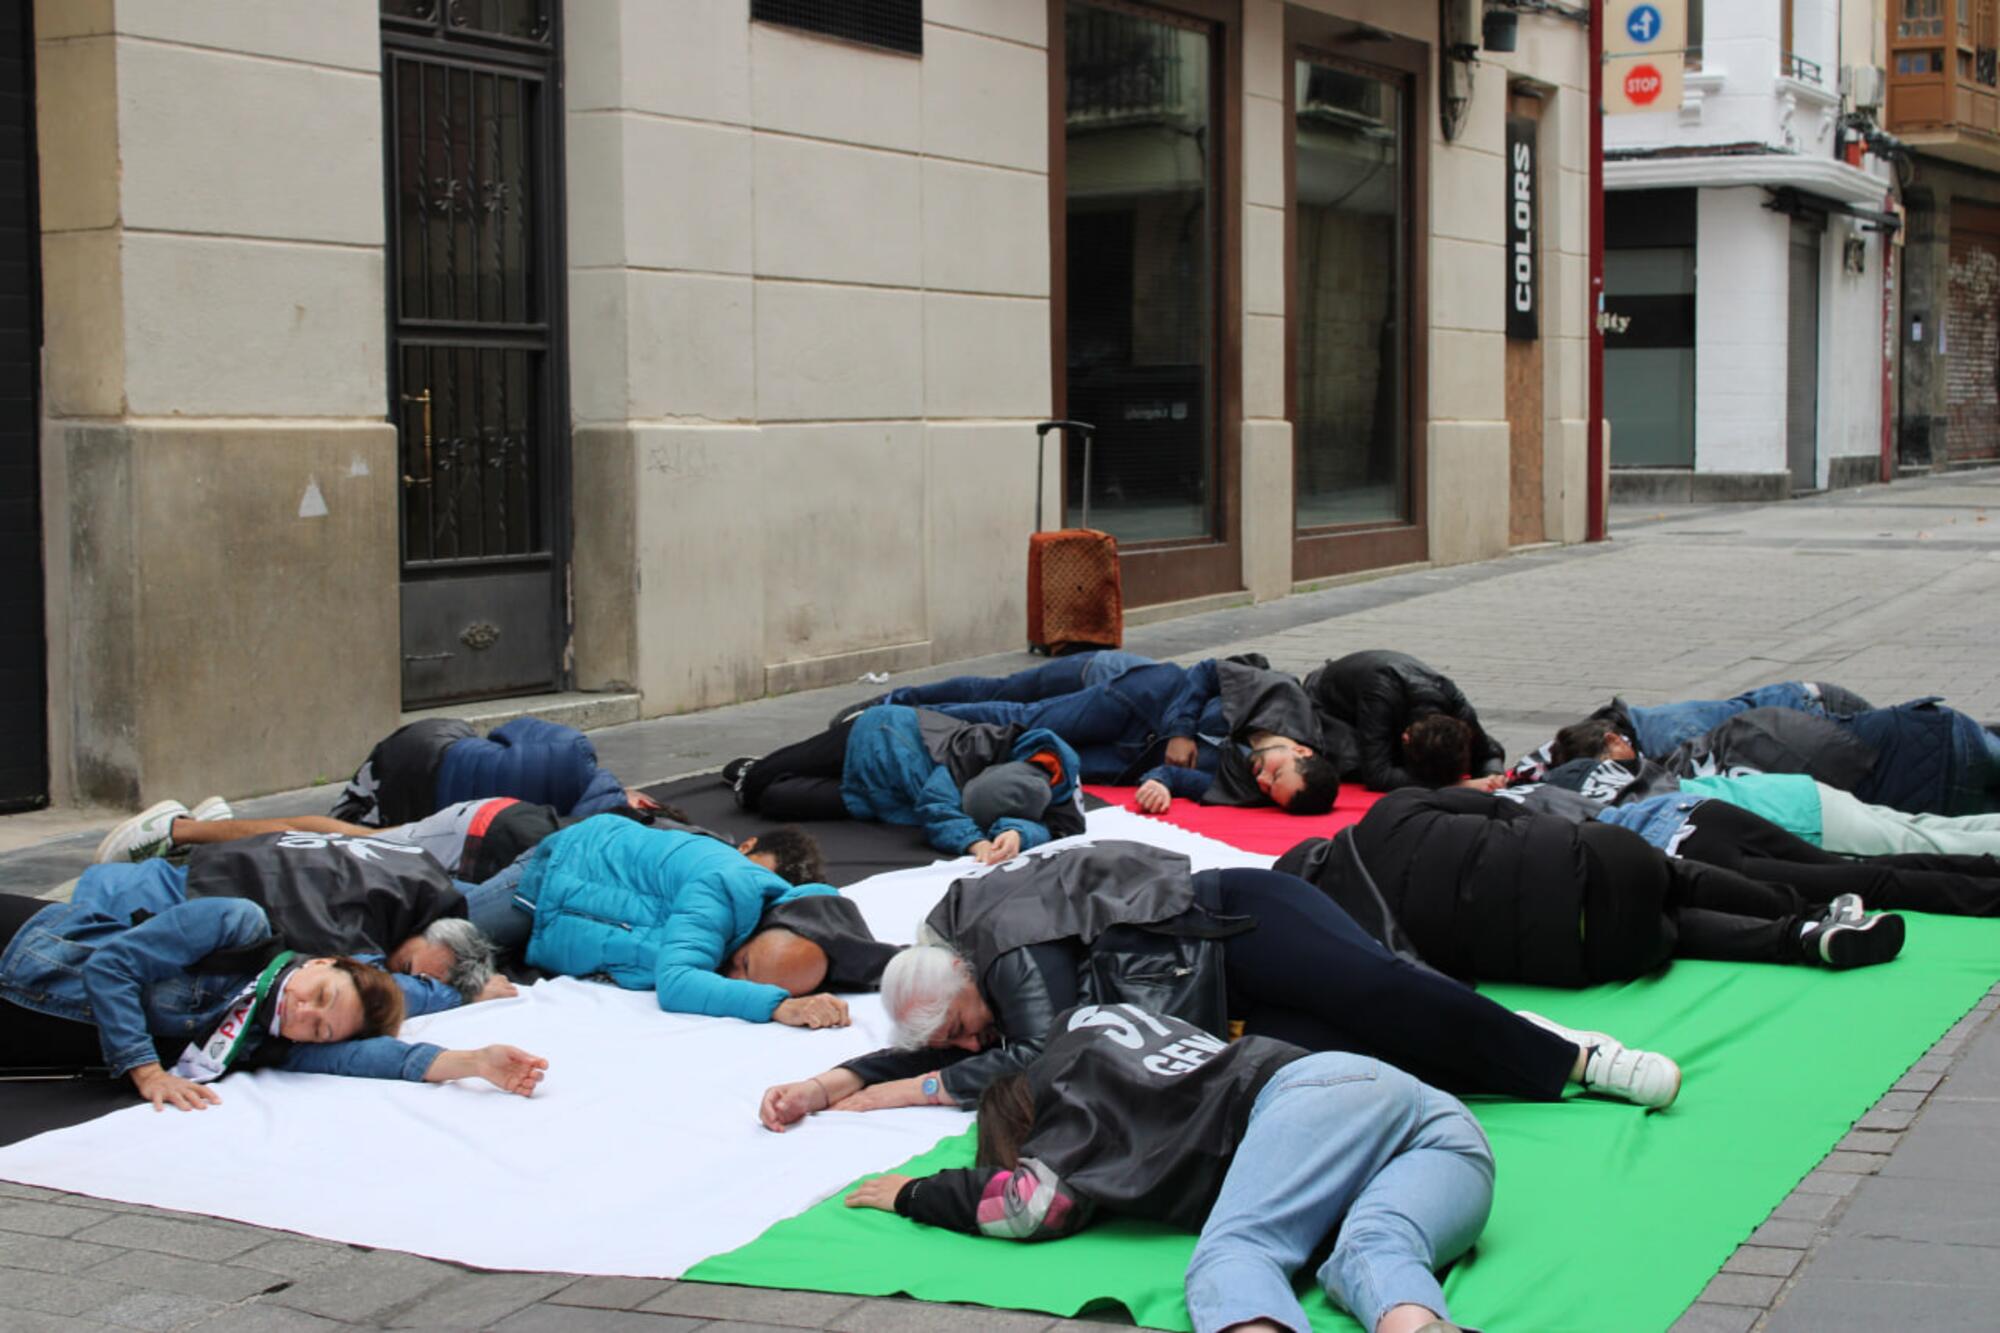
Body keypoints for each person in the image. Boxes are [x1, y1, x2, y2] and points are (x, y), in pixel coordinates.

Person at [758, 842, 1683, 1130]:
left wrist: (896, 1091)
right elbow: (965, 1043)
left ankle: (1577, 1057)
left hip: (1232, 920)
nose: (970, 1047)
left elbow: (1034, 1054)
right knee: (1368, 1059)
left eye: (964, 1028)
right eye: (955, 1044)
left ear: (968, 978)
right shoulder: (960, 980)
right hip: (1212, 994)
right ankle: (1505, 1033)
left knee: (1376, 991)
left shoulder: (1007, 949)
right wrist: (829, 1082)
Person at [842, 1004, 1492, 1333]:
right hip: (1441, 1123)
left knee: (1240, 1252)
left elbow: (1029, 1206)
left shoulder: (1065, 1088)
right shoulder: (1124, 1026)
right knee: (1375, 1246)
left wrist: (914, 1193)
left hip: (1303, 1096)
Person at [1275, 787, 1906, 988]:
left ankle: (1800, 939)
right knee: (1672, 875)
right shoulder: (1390, 811)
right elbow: (1502, 811)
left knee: (1670, 931)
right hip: (1594, 861)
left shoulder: (1370, 940)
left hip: (1579, 951)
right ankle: (1812, 910)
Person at [0, 892, 548, 1110]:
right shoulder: (240, 929)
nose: (305, 1014)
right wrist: (146, 1071)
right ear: (320, 962)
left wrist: (473, 1063)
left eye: (319, 1030)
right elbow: (110, 967)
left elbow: (378, 1057)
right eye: (319, 996)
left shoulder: (268, 1041)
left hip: (24, 1031)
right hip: (24, 953)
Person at [474, 814, 881, 1027]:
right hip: (552, 881)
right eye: (744, 967)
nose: (732, 979)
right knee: (433, 935)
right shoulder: (726, 886)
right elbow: (677, 982)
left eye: (753, 983)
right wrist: (779, 1007)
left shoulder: (766, 925)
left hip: (563, 915)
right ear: (765, 927)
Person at [71, 831, 509, 1007]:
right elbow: (370, 992)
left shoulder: (423, 874)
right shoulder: (349, 924)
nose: (396, 969)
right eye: (412, 968)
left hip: (168, 879)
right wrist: (461, 996)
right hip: (122, 907)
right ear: (429, 933)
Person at [95, 793, 827, 887]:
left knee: (349, 848)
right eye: (751, 865)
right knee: (345, 842)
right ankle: (180, 829)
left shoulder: (700, 853)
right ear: (746, 845)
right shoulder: (693, 843)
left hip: (506, 836)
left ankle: (208, 824)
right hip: (494, 830)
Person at [727, 705, 1087, 864]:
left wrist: (1018, 834)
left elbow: (1061, 829)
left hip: (878, 796)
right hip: (875, 738)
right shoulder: (976, 749)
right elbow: (937, 807)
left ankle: (772, 775)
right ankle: (752, 768)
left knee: (776, 800)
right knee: (756, 785)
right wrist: (975, 841)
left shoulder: (1055, 791)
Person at [327, 715, 651, 828]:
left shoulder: (575, 754)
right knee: (348, 832)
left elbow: (507, 731)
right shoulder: (563, 827)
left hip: (427, 748)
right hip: (428, 807)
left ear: (644, 804)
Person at [1303, 650, 1505, 792]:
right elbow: (1378, 776)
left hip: (1387, 702)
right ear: (1405, 738)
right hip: (1326, 701)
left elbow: (1489, 751)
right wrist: (1457, 786)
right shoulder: (1380, 695)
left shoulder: (1455, 705)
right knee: (1353, 764)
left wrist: (1493, 777)